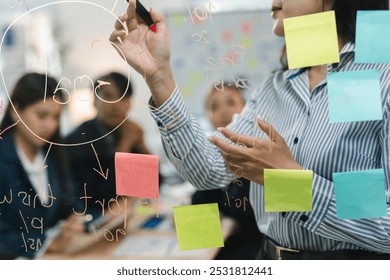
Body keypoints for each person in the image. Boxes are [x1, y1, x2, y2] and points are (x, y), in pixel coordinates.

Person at [109, 0, 390, 259]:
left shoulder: (380, 78)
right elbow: (208, 170)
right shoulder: (275, 87)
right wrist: (159, 76)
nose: (273, 1)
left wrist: (290, 184)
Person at [0, 73, 84, 259]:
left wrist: (76, 219)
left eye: (56, 117)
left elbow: (67, 204)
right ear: (15, 111)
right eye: (41, 115)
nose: (50, 125)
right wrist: (46, 243)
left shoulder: (52, 156)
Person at [191, 82, 263, 259]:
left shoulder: (262, 155)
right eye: (214, 107)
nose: (223, 111)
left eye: (230, 103)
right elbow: (199, 234)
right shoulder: (214, 159)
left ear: (247, 110)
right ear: (208, 117)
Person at [65, 71, 151, 217]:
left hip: (129, 217)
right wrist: (124, 147)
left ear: (129, 103)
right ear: (94, 101)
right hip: (95, 221)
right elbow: (102, 198)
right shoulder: (77, 141)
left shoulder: (127, 131)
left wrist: (141, 146)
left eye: (122, 98)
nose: (115, 105)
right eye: (108, 96)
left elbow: (148, 187)